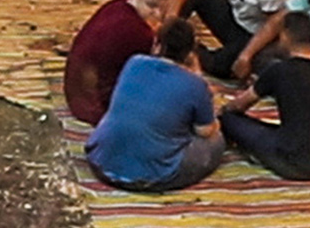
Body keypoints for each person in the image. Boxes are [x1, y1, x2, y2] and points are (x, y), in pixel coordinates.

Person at [85, 17, 226, 191]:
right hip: (151, 175)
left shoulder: (134, 63)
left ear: (157, 44)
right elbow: (205, 131)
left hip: (101, 162)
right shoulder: (195, 84)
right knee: (216, 140)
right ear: (190, 53)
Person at [217, 5, 310, 180]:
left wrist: (225, 109)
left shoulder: (280, 71)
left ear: (285, 37)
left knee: (230, 120)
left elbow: (239, 105)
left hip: (296, 161)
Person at [62, 0, 175, 124]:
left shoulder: (117, 4)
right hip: (96, 106)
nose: (156, 14)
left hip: (75, 92)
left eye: (162, 9)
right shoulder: (139, 33)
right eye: (151, 6)